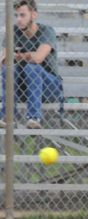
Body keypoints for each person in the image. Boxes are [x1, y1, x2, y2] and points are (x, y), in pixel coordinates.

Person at [1, 0, 62, 129]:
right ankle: (8, 116)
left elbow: (38, 58)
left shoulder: (46, 31)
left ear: (34, 15)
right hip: (23, 87)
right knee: (8, 69)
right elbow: (3, 60)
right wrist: (24, 56)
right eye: (16, 15)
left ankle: (34, 118)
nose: (18, 19)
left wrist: (18, 56)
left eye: (22, 15)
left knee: (32, 68)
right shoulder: (13, 31)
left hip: (48, 87)